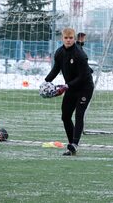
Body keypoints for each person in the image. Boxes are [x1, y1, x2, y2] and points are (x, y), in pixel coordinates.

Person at [44, 28, 94, 156]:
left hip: (85, 87)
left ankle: (74, 145)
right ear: (62, 38)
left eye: (71, 38)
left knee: (79, 114)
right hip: (71, 88)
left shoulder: (80, 55)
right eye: (66, 38)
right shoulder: (59, 52)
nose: (68, 40)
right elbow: (56, 69)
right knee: (65, 116)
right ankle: (71, 143)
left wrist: (66, 86)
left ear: (74, 38)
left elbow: (83, 76)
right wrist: (46, 82)